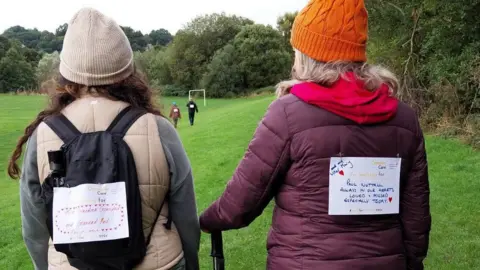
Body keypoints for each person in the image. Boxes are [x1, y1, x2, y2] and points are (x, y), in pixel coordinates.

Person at [199, 1, 431, 269]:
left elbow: (240, 204)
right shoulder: (404, 119)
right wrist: (411, 262)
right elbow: (417, 216)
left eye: (296, 50)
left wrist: (205, 221)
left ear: (309, 54)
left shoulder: (287, 114)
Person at [7, 8, 200, 270]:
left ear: (66, 74)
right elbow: (186, 215)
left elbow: (34, 228)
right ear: (128, 69)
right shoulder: (158, 128)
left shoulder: (43, 135)